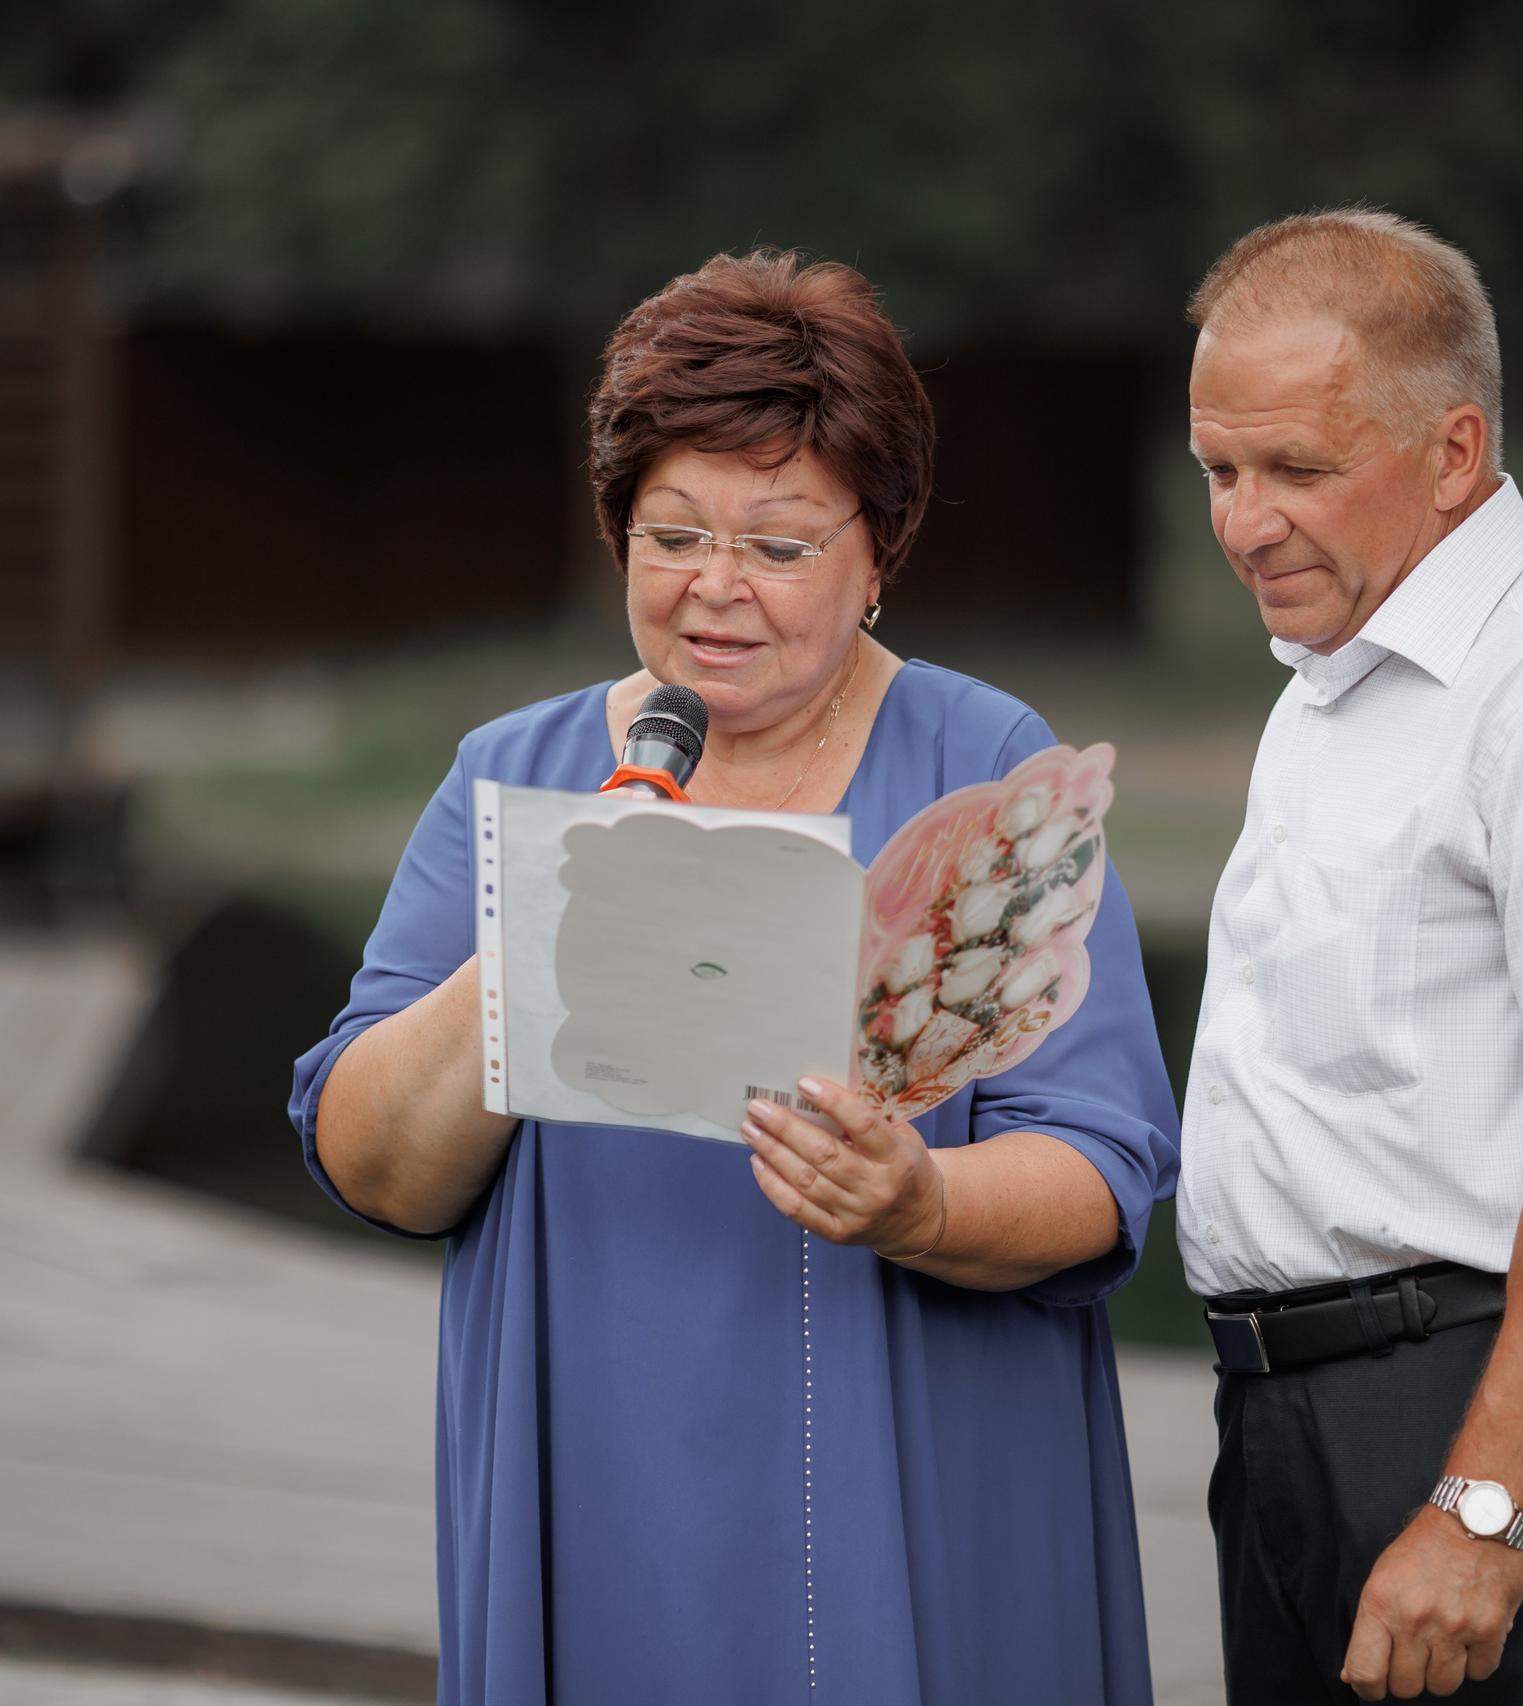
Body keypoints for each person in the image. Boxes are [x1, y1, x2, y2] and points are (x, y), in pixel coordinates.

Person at [291, 250, 1181, 1706]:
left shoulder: (982, 761)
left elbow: (1106, 1166)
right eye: (673, 535)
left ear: (878, 548)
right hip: (601, 1477)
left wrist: (926, 1201)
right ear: (614, 532)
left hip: (923, 1475)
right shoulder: (512, 775)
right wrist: (543, 927)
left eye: (778, 545)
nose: (716, 590)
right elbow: (374, 1160)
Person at [1175, 208, 1523, 1703]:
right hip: (1299, 1413)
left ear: (1452, 449)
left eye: (1297, 469)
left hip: (1495, 1406)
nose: (1243, 522)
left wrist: (1484, 1507)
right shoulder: (1335, 678)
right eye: (1219, 471)